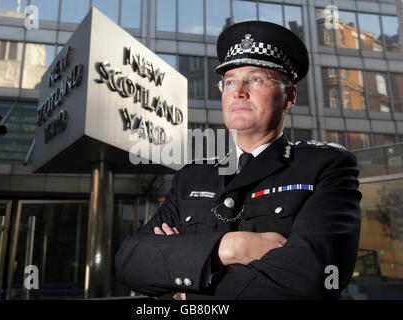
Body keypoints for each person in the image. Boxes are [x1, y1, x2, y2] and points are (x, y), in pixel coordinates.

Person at [115, 21, 361, 300]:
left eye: (256, 79)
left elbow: (314, 279)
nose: (238, 91)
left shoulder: (325, 167)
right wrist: (229, 247)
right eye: (230, 81)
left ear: (289, 97)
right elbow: (130, 261)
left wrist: (186, 290)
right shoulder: (192, 176)